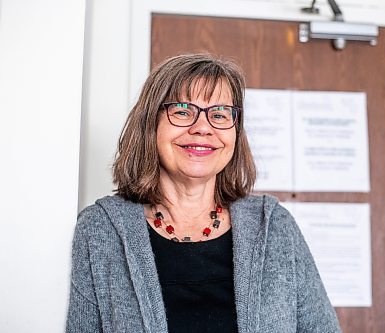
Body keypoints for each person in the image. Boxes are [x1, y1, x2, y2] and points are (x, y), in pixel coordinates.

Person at [66, 53, 342, 333]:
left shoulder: (274, 227)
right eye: (183, 111)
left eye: (219, 114)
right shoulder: (101, 229)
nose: (202, 128)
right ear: (151, 124)